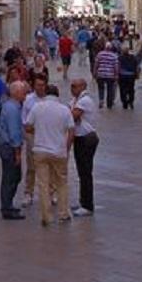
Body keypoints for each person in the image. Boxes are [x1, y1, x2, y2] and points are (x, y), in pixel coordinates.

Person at [26, 89, 74, 227]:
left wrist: (38, 131)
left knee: (43, 183)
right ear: (58, 95)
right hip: (59, 151)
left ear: (46, 94)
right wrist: (67, 147)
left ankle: (46, 216)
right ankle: (63, 213)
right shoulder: (64, 110)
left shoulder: (37, 107)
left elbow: (28, 126)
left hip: (40, 150)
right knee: (61, 182)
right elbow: (71, 130)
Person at [0, 81, 26, 220]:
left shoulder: (11, 106)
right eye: (23, 92)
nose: (25, 94)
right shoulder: (13, 109)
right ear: (15, 92)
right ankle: (7, 207)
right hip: (9, 147)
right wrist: (18, 153)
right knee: (11, 177)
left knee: (13, 176)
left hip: (6, 146)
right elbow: (14, 132)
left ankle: (7, 204)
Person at [70, 78, 98, 216]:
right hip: (79, 138)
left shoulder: (84, 101)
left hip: (86, 138)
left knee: (85, 171)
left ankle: (87, 205)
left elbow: (71, 116)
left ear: (82, 87)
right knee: (81, 171)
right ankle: (83, 201)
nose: (72, 88)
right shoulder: (76, 100)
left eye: (74, 86)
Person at [22, 73, 47, 205]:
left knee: (49, 166)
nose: (40, 88)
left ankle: (50, 192)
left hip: (47, 136)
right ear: (34, 85)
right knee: (31, 166)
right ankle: (28, 192)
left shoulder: (50, 99)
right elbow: (24, 119)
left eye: (42, 85)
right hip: (32, 135)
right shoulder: (28, 100)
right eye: (38, 85)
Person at [93, 41, 119, 110]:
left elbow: (96, 64)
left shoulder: (100, 54)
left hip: (101, 74)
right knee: (110, 89)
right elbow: (116, 66)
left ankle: (101, 100)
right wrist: (116, 75)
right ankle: (109, 104)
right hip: (110, 75)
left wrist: (94, 72)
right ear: (111, 48)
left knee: (101, 88)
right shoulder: (114, 56)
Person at [118, 44, 139, 110]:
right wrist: (137, 74)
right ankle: (131, 101)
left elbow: (118, 66)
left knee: (122, 89)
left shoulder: (120, 58)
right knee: (131, 89)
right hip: (131, 75)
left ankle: (124, 102)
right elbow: (136, 66)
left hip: (122, 75)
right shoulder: (133, 57)